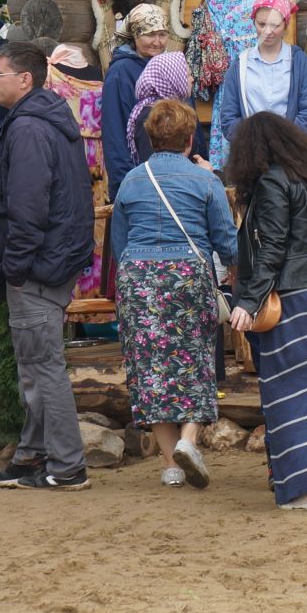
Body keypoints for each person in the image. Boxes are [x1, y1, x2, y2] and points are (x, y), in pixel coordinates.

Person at [0, 41, 96, 491]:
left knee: (43, 367)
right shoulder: (47, 121)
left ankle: (67, 468)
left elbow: (27, 209)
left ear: (24, 79)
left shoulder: (28, 129)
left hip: (38, 268)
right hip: (51, 263)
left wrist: (17, 267)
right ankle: (31, 456)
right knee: (34, 366)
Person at [226, 112, 307, 511]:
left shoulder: (272, 181)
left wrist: (248, 301)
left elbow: (274, 247)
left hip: (295, 295)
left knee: (288, 390)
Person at [110, 99, 237, 490]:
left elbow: (119, 244)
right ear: (188, 138)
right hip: (186, 275)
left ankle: (171, 466)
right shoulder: (205, 180)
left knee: (151, 368)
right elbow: (226, 242)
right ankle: (188, 440)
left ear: (151, 138)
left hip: (138, 277)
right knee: (195, 359)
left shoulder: (132, 180)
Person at [212, 0, 307, 170]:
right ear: (253, 22)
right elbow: (228, 117)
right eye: (261, 24)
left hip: (294, 158)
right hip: (251, 159)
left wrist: (285, 145)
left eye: (275, 25)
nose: (267, 31)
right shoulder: (240, 65)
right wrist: (253, 145)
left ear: (286, 24)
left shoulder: (300, 62)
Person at [103, 2, 170, 199]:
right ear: (134, 35)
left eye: (162, 34)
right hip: (138, 177)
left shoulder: (165, 66)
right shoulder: (120, 72)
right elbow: (114, 130)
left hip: (167, 173)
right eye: (150, 35)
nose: (157, 42)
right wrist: (126, 182)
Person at [126, 50, 194, 162]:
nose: (192, 79)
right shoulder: (152, 114)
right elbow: (152, 165)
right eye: (187, 75)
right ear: (172, 79)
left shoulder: (177, 108)